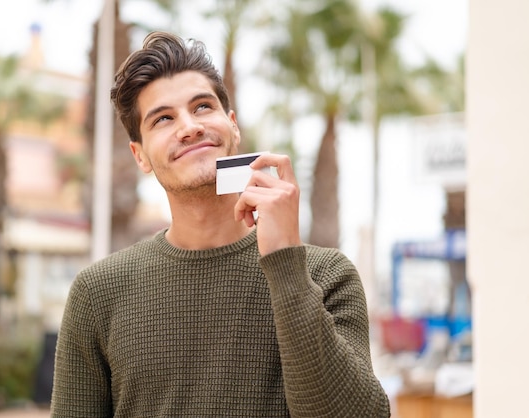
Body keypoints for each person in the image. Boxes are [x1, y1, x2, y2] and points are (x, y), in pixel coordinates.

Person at [50, 31, 390, 417]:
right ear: (139, 155)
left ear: (233, 125)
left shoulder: (326, 275)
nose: (189, 127)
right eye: (163, 118)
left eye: (202, 107)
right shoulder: (98, 293)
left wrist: (286, 265)